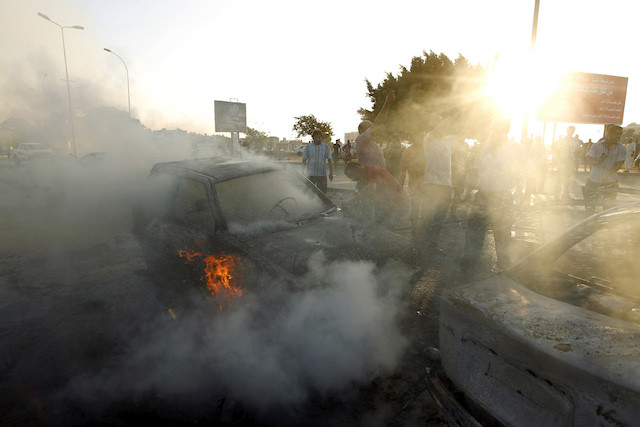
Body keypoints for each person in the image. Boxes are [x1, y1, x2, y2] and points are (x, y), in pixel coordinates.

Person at [461, 117, 530, 272]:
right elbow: (476, 170)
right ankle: (469, 264)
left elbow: (528, 171)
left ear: (505, 130)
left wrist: (523, 194)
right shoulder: (484, 146)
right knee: (474, 231)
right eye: (493, 129)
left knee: (503, 234)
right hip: (482, 195)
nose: (494, 132)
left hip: (502, 197)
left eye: (498, 129)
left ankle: (504, 269)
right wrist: (467, 192)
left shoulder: (517, 148)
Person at [343, 161, 409, 230]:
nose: (353, 179)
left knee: (384, 231)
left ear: (357, 167)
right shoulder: (362, 180)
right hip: (386, 206)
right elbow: (358, 193)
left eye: (352, 175)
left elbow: (371, 188)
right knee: (376, 229)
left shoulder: (371, 170)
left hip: (399, 205)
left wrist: (350, 202)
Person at [583, 124, 626, 215]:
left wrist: (607, 175)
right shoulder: (596, 146)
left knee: (608, 209)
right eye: (616, 134)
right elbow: (589, 159)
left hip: (610, 182)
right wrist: (598, 161)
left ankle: (605, 227)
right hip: (594, 180)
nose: (618, 136)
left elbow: (618, 164)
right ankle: (591, 226)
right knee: (590, 206)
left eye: (620, 134)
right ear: (609, 134)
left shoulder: (621, 148)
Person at [355, 91, 395, 169]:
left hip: (377, 177)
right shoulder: (361, 140)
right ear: (363, 130)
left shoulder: (371, 143)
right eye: (370, 127)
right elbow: (378, 123)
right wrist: (387, 103)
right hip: (370, 177)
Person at [398, 132, 426, 238]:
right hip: (414, 186)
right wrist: (399, 188)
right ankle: (415, 233)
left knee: (427, 210)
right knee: (416, 209)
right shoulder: (408, 151)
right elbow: (402, 171)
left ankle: (424, 231)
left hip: (428, 185)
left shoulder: (428, 149)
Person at [552, 126, 581, 200]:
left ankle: (565, 194)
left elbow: (578, 151)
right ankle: (556, 195)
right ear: (567, 131)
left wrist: (575, 158)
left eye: (572, 131)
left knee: (568, 179)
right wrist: (558, 161)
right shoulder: (561, 141)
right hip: (562, 161)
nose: (571, 132)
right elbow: (556, 151)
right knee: (559, 178)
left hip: (570, 162)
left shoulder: (575, 141)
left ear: (573, 131)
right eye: (569, 130)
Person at [302, 129, 333, 194]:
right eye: (316, 137)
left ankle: (322, 204)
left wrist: (331, 173)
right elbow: (304, 159)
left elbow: (330, 160)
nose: (318, 139)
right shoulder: (308, 147)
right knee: (308, 193)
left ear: (321, 137)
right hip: (310, 174)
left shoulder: (325, 147)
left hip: (322, 174)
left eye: (319, 137)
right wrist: (303, 170)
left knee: (322, 193)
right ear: (313, 138)